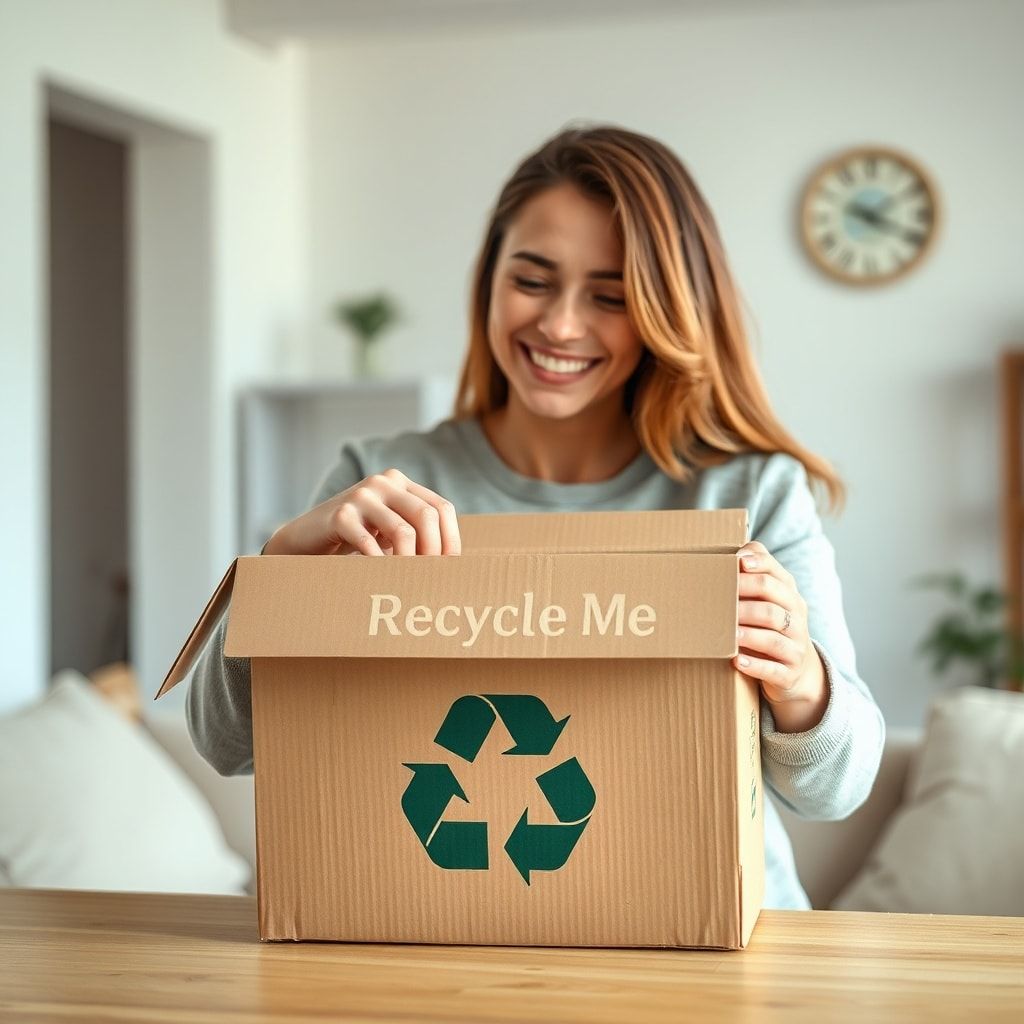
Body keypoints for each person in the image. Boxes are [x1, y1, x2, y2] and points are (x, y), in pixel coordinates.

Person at [186, 123, 885, 910]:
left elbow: (839, 789)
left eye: (611, 296)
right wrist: (278, 580)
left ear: (669, 309)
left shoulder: (749, 493)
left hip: (714, 939)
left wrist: (799, 677)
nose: (559, 325)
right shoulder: (378, 483)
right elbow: (225, 745)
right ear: (488, 277)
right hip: (437, 930)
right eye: (532, 279)